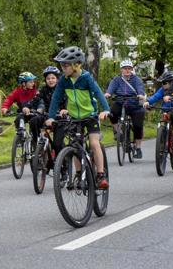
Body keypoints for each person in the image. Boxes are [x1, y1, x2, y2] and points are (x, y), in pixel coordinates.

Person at [44, 46, 111, 190]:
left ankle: (100, 175)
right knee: (75, 145)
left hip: (91, 116)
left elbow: (99, 93)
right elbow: (56, 98)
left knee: (93, 143)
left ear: (76, 65)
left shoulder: (86, 78)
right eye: (62, 65)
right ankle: (79, 173)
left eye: (66, 65)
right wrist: (50, 117)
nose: (63, 68)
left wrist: (105, 109)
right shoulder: (64, 80)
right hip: (74, 117)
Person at [105, 60, 147, 158]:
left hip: (134, 104)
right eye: (125, 68)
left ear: (132, 70)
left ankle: (138, 148)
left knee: (137, 126)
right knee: (112, 113)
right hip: (120, 102)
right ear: (121, 70)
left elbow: (140, 88)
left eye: (129, 68)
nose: (127, 70)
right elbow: (111, 89)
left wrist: (140, 94)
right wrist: (108, 93)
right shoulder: (116, 80)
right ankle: (117, 131)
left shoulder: (136, 79)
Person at [30, 67, 61, 156]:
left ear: (57, 79)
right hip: (48, 116)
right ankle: (36, 144)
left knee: (57, 143)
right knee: (33, 121)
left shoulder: (62, 89)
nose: (50, 80)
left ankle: (62, 162)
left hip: (60, 118)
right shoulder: (43, 89)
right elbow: (35, 99)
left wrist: (64, 109)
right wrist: (28, 107)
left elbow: (68, 101)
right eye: (48, 78)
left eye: (53, 78)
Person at [2, 72, 40, 140]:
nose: (33, 83)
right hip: (23, 113)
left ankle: (36, 140)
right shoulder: (17, 92)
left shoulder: (35, 92)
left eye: (33, 82)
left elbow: (40, 102)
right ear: (24, 83)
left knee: (35, 124)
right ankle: (20, 137)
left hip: (34, 113)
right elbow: (9, 99)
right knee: (18, 119)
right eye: (30, 82)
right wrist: (5, 107)